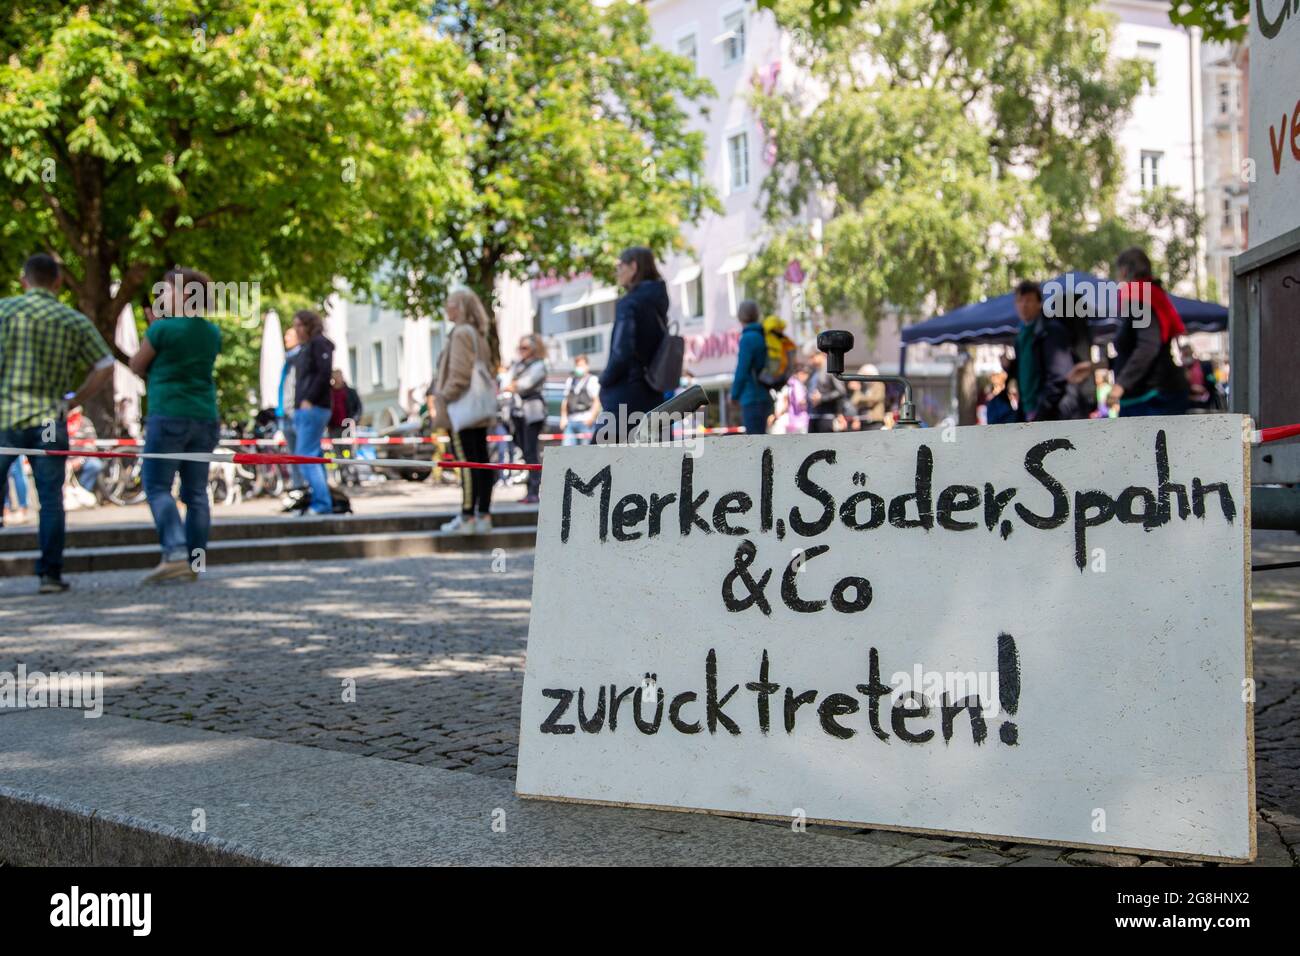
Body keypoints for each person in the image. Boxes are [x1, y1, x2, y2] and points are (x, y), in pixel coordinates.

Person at [0, 253, 114, 593]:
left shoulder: (4, 311)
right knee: (50, 498)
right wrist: (74, 400)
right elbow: (106, 364)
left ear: (24, 280)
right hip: (50, 418)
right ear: (58, 282)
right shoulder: (72, 320)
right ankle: (49, 574)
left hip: (5, 415)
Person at [129, 267, 223, 583]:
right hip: (205, 416)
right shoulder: (211, 332)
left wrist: (153, 329)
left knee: (156, 486)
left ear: (185, 294)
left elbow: (136, 364)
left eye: (165, 290)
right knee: (196, 493)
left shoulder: (162, 330)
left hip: (169, 413)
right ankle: (195, 562)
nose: (160, 296)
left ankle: (175, 553)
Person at [429, 288, 498, 533]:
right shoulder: (479, 334)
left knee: (467, 462)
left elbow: (458, 374)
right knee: (481, 461)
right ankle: (483, 515)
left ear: (458, 308)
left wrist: (443, 398)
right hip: (478, 408)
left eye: (449, 304)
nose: (446, 308)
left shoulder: (460, 334)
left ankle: (467, 515)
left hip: (461, 408)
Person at [597, 247, 669, 443]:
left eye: (620, 265)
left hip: (625, 395)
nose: (617, 271)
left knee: (596, 464)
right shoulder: (659, 302)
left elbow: (622, 352)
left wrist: (604, 380)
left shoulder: (629, 303)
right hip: (653, 393)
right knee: (650, 464)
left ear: (633, 266)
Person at [1108, 247, 1189, 417]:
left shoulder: (1140, 299)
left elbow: (1148, 346)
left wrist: (1120, 384)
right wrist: (1097, 365)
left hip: (1152, 399)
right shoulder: (1151, 295)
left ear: (1123, 271)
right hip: (1155, 393)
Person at [1004, 280, 1094, 422]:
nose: (1024, 305)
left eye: (1028, 300)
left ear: (1039, 304)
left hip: (1052, 415)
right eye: (1020, 301)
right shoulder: (1021, 336)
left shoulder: (1051, 331)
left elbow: (1058, 378)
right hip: (1031, 412)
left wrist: (1041, 414)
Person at [289, 309, 335, 514]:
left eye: (299, 325)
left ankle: (322, 502)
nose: (296, 329)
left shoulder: (318, 344)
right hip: (308, 407)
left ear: (308, 325)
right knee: (313, 455)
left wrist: (309, 399)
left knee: (305, 456)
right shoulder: (307, 347)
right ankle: (322, 499)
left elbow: (324, 373)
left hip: (313, 407)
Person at [504, 333, 547, 504]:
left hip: (532, 413)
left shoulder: (539, 365)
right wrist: (513, 384)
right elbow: (506, 383)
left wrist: (513, 385)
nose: (521, 351)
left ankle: (535, 490)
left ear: (534, 349)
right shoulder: (518, 365)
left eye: (525, 348)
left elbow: (524, 385)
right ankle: (531, 489)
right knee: (524, 451)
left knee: (531, 452)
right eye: (520, 347)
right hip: (517, 414)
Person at [731, 300, 773, 436]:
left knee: (755, 444)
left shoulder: (748, 338)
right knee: (762, 440)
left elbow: (742, 369)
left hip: (752, 397)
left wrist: (734, 394)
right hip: (765, 395)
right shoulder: (763, 336)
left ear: (740, 317)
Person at [278, 325, 303, 490]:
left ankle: (304, 489)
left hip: (294, 413)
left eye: (289, 335)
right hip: (286, 413)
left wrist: (290, 409)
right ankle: (298, 488)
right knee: (294, 456)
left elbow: (294, 387)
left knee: (302, 455)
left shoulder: (299, 358)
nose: (286, 338)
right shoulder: (288, 359)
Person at [329, 369, 363, 486]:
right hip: (334, 427)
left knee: (350, 452)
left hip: (347, 426)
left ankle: (354, 476)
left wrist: (354, 420)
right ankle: (343, 476)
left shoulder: (350, 392)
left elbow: (358, 408)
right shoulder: (330, 392)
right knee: (338, 453)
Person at [560, 353, 601, 446]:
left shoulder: (592, 380)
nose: (579, 368)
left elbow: (597, 401)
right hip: (571, 421)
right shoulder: (570, 381)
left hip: (585, 421)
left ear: (587, 366)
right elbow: (566, 400)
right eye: (577, 365)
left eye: (581, 365)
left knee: (585, 453)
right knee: (567, 451)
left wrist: (592, 418)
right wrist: (563, 417)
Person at [808, 352, 846, 433]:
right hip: (813, 416)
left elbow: (841, 391)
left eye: (813, 356)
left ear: (821, 354)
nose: (811, 360)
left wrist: (822, 398)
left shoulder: (831, 369)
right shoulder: (814, 371)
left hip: (827, 417)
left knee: (825, 444)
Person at [849, 364, 887, 430]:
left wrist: (861, 400)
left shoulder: (879, 385)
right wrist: (857, 390)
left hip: (875, 421)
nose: (863, 379)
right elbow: (854, 402)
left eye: (864, 375)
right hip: (863, 421)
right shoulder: (863, 387)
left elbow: (874, 400)